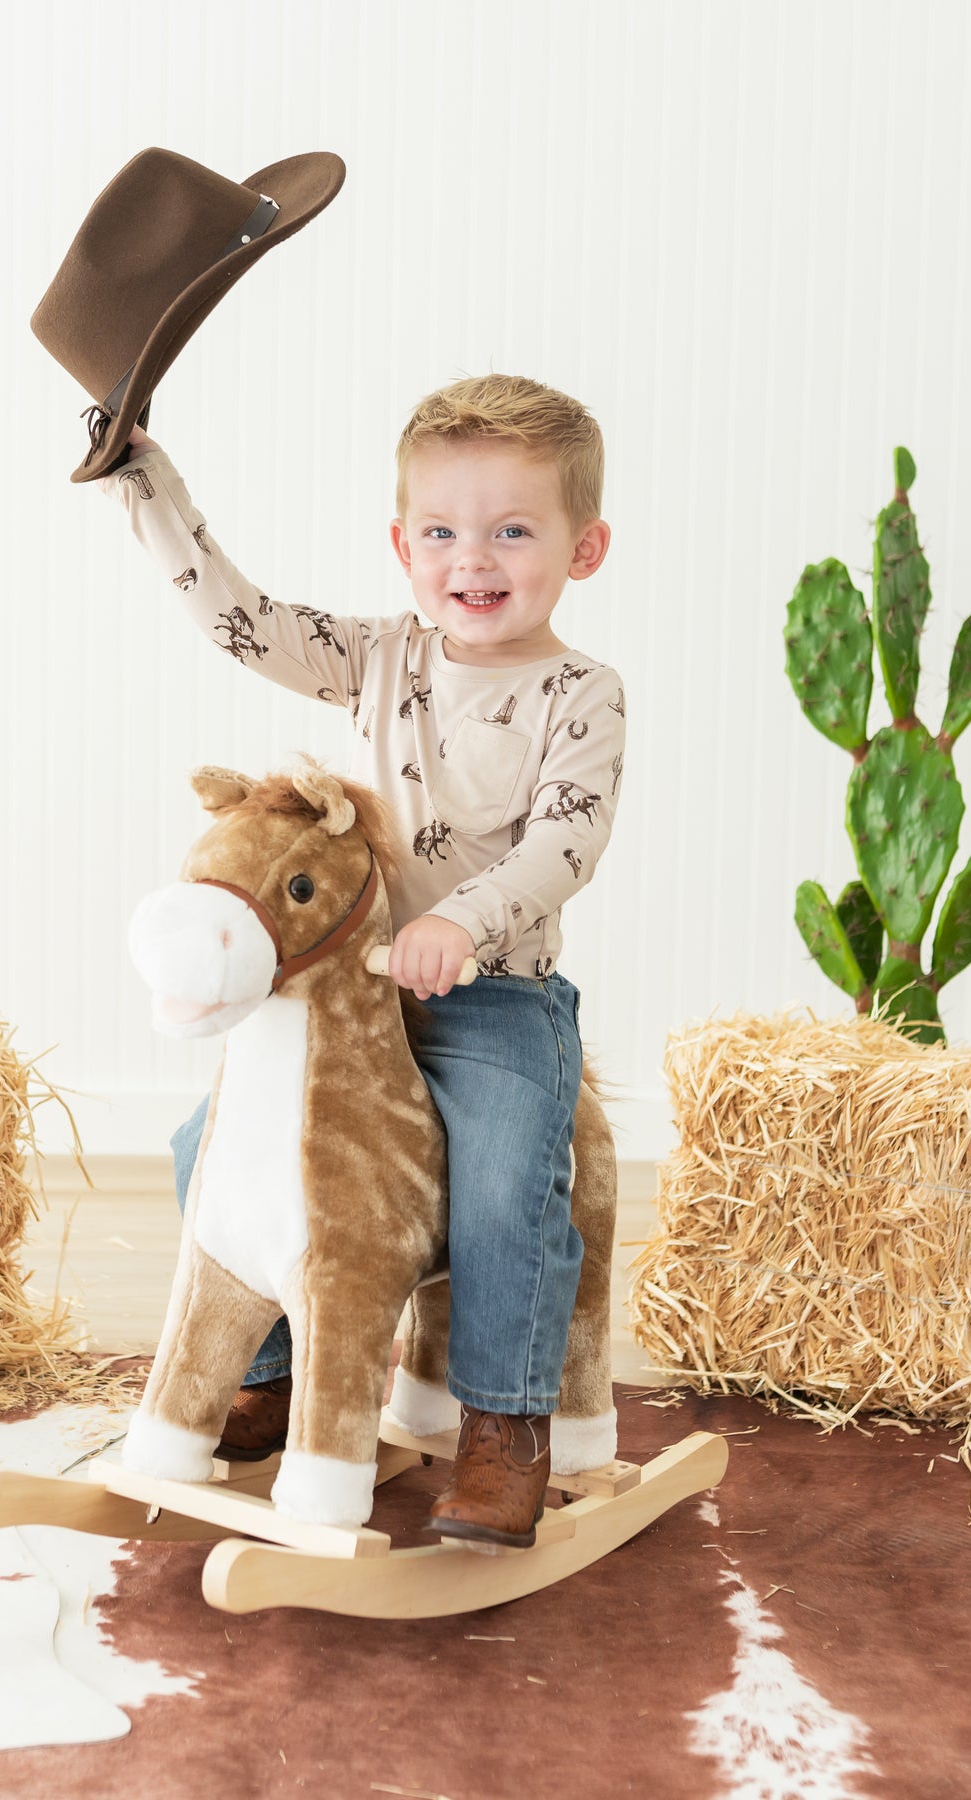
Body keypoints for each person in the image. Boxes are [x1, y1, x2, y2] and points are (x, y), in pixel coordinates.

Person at [97, 373, 625, 1545]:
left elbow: (564, 844)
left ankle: (503, 1423)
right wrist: (147, 486)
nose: (471, 560)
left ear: (582, 550)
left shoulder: (581, 695)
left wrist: (463, 925)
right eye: (441, 532)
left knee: (502, 1187)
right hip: (353, 1003)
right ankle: (274, 1366)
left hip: (495, 1004)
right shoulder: (380, 657)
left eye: (512, 531)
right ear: (403, 544)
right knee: (210, 1148)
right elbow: (242, 619)